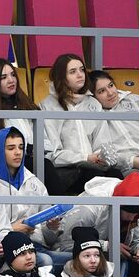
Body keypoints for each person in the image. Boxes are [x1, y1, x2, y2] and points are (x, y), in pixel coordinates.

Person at [39, 53, 112, 195]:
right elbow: (52, 154)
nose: (80, 75)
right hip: (65, 169)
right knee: (92, 178)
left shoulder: (94, 104)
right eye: (73, 72)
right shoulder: (47, 106)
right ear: (61, 77)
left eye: (82, 70)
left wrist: (100, 157)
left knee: (116, 176)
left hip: (93, 166)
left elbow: (102, 142)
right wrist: (85, 158)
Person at [0, 126, 62, 257]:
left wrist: (51, 227)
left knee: (71, 260)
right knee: (47, 260)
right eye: (11, 148)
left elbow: (49, 239)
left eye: (21, 147)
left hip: (37, 247)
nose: (18, 152)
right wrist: (14, 230)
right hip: (8, 250)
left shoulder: (34, 182)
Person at [90, 70, 139, 173]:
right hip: (128, 167)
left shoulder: (135, 101)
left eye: (111, 85)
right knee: (138, 181)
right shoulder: (94, 117)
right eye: (101, 91)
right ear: (93, 97)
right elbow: (102, 154)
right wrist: (133, 161)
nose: (110, 93)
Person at [0, 58, 40, 152]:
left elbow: (46, 142)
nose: (11, 80)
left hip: (37, 159)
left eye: (13, 75)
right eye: (3, 77)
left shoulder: (29, 106)